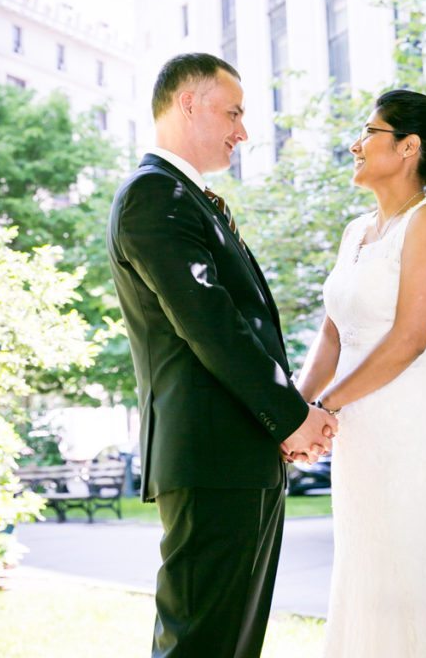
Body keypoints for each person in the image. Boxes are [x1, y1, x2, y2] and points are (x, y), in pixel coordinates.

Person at [107, 52, 337, 658]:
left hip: (238, 456)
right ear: (189, 103)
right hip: (211, 460)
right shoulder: (155, 196)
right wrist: (294, 416)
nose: (243, 131)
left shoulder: (188, 196)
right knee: (201, 645)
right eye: (233, 112)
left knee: (232, 643)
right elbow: (213, 326)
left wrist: (283, 426)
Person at [295, 89, 426, 658]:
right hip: (360, 431)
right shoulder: (355, 232)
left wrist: (324, 408)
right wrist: (291, 413)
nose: (356, 145)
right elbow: (332, 334)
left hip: (416, 424)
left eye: (370, 131)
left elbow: (409, 340)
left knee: (417, 578)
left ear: (408, 147)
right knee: (367, 577)